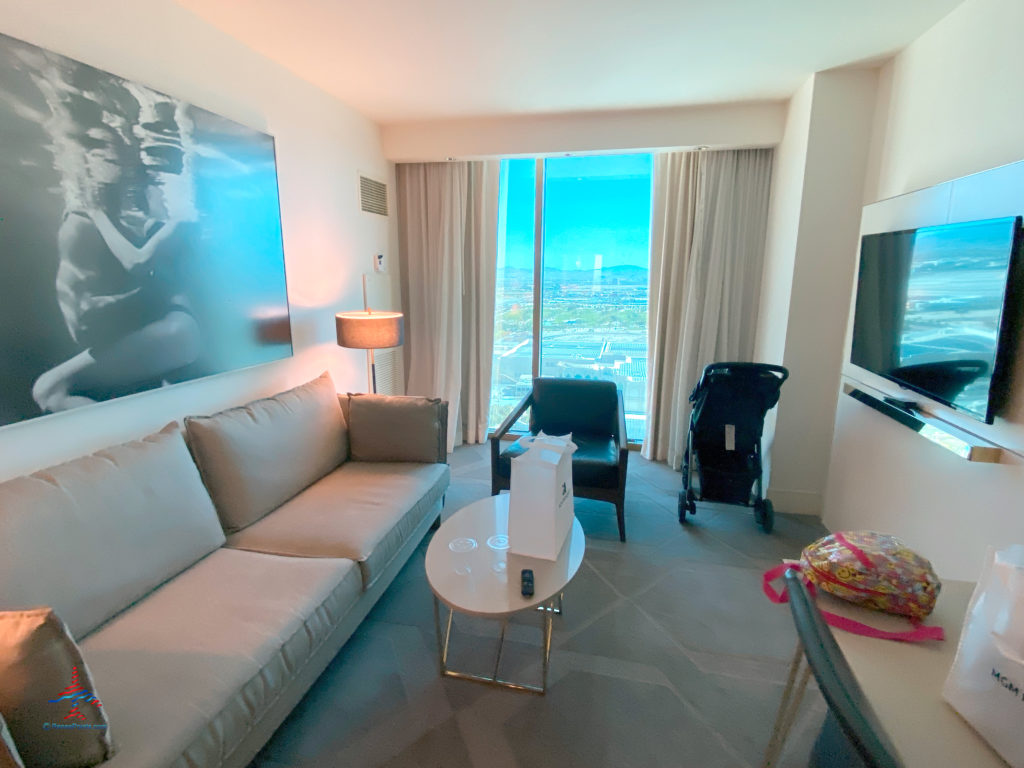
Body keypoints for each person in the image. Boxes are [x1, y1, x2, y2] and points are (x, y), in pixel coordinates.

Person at [31, 73, 201, 413]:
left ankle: (134, 448)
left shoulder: (177, 220)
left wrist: (97, 213)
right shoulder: (154, 223)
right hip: (170, 327)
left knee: (49, 391)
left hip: (176, 327)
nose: (143, 188)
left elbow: (138, 264)